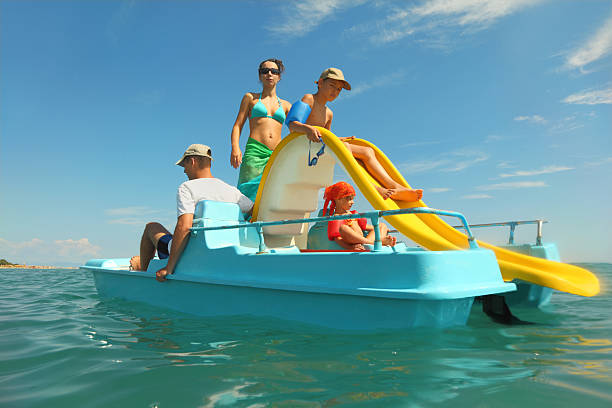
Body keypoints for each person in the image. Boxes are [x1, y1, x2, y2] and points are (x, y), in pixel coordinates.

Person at [286, 67, 423, 202]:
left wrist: (338, 139)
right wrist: (308, 129)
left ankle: (395, 187)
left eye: (339, 89)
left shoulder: (329, 113)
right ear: (320, 83)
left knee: (367, 151)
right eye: (332, 85)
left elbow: (327, 137)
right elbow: (292, 124)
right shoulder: (309, 99)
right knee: (345, 148)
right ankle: (374, 188)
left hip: (320, 149)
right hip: (305, 150)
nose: (335, 91)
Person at [129, 144, 253, 281]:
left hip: (192, 250)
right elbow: (254, 210)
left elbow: (184, 226)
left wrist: (168, 268)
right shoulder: (231, 191)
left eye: (184, 166)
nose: (184, 171)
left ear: (192, 161)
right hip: (225, 247)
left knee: (151, 227)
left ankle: (143, 271)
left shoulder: (187, 187)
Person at [230, 58, 292, 202]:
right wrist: (235, 148)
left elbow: (297, 130)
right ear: (260, 76)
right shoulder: (250, 98)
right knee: (247, 194)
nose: (269, 74)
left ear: (279, 76)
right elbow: (237, 125)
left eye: (274, 71)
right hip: (254, 152)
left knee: (273, 195)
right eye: (265, 71)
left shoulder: (286, 105)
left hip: (276, 155)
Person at [322, 181, 396, 251]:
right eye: (349, 199)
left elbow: (365, 227)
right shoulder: (337, 217)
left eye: (352, 199)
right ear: (338, 199)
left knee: (382, 225)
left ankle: (378, 242)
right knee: (343, 228)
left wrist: (383, 229)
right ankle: (379, 243)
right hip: (355, 242)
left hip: (365, 241)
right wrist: (350, 247)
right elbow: (337, 239)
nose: (353, 202)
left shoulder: (352, 214)